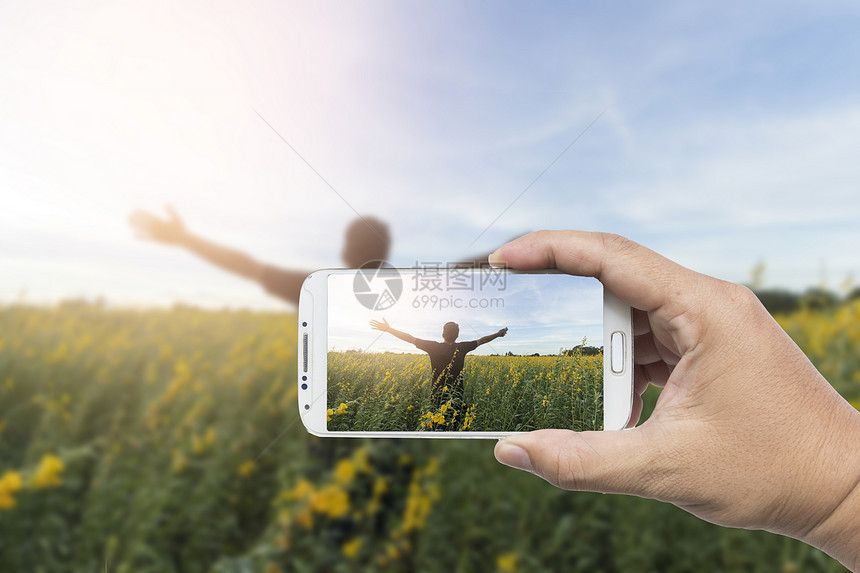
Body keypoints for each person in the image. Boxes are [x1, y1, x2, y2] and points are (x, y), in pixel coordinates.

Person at [488, 230, 860, 571]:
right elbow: (457, 343)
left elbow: (472, 343)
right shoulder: (445, 346)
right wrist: (839, 497)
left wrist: (842, 498)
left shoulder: (451, 345)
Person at [128, 206, 391, 305]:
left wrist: (187, 240)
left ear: (346, 253)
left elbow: (247, 267)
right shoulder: (421, 298)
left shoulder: (321, 292)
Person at [370, 318, 507, 427]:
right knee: (455, 423)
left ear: (442, 334)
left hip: (437, 394)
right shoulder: (463, 347)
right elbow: (482, 340)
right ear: (458, 335)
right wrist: (498, 334)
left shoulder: (433, 347)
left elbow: (409, 338)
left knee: (437, 424)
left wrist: (388, 329)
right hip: (457, 393)